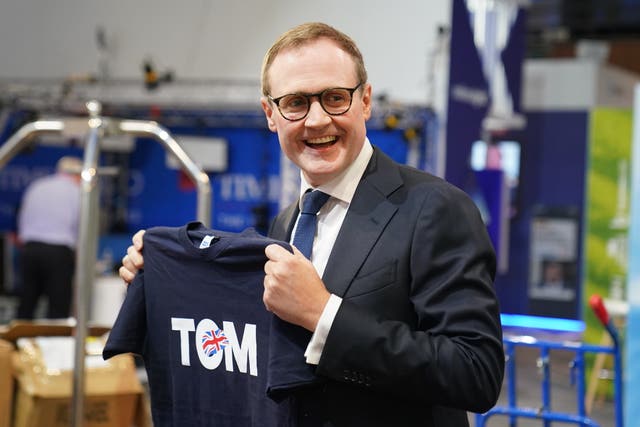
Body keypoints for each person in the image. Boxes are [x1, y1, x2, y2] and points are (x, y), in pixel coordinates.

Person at [120, 22, 504, 426]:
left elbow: (475, 373)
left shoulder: (434, 208)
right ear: (271, 114)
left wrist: (324, 315)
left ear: (366, 101)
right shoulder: (285, 226)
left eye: (335, 98)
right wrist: (163, 286)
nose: (317, 120)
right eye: (296, 103)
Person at [16, 155, 82, 319]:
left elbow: (22, 218)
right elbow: (82, 228)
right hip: (58, 252)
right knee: (58, 308)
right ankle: (54, 344)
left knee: (26, 303)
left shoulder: (37, 186)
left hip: (30, 250)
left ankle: (15, 343)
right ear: (78, 175)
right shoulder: (78, 192)